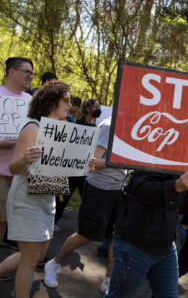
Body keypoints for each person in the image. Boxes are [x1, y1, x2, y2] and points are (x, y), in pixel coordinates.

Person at [0, 81, 71, 298]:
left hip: (46, 198)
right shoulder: (33, 127)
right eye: (66, 100)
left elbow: (58, 167)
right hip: (27, 199)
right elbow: (14, 167)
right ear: (52, 100)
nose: (70, 106)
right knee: (30, 260)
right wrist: (24, 159)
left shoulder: (60, 130)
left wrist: (81, 163)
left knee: (38, 254)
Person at [44, 117, 125, 293]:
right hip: (98, 190)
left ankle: (109, 279)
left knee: (116, 237)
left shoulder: (130, 127)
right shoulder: (109, 126)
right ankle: (53, 264)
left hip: (118, 191)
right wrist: (121, 160)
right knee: (85, 235)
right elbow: (93, 162)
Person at [104, 168, 188, 298]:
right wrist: (175, 186)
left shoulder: (186, 159)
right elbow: (139, 187)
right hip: (136, 243)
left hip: (165, 244)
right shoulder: (153, 152)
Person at [0, 57, 33, 249]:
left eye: (31, 73)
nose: (30, 76)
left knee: (7, 219)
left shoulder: (31, 101)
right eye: (26, 72)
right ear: (12, 72)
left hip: (20, 173)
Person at [54, 97, 101, 229]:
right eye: (96, 107)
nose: (98, 109)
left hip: (85, 170)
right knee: (63, 197)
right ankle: (53, 222)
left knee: (87, 199)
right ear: (88, 109)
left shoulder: (96, 127)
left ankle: (87, 226)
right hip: (72, 169)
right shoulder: (78, 124)